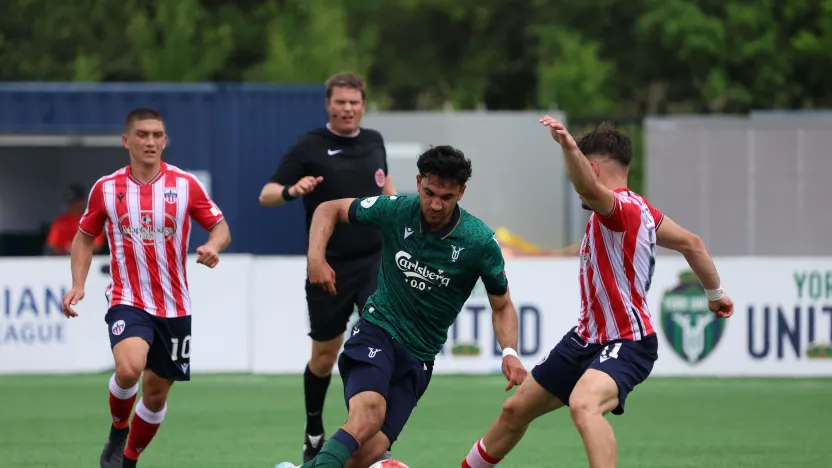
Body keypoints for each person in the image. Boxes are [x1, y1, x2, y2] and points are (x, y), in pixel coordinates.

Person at [460, 118, 735, 468]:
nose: (577, 190)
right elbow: (692, 244)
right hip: (585, 340)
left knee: (584, 404)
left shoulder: (619, 209)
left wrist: (567, 147)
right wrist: (716, 294)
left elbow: (589, 189)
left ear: (590, 168)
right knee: (515, 411)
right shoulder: (642, 211)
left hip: (627, 341)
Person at [275, 145, 528, 468]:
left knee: (364, 455)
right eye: (429, 192)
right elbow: (328, 209)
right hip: (377, 331)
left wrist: (510, 352)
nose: (435, 205)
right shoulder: (397, 210)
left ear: (462, 192)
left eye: (447, 197)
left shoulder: (478, 242)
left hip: (419, 358)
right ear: (419, 181)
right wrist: (316, 258)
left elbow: (502, 305)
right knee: (368, 414)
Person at [60, 108, 232, 468]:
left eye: (157, 135)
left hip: (174, 305)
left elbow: (220, 227)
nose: (150, 141)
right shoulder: (107, 189)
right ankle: (118, 427)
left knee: (154, 397)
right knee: (128, 368)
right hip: (128, 297)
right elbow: (84, 237)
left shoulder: (185, 185)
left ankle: (129, 459)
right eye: (142, 135)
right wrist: (78, 283)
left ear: (165, 141)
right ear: (127, 141)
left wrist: (214, 246)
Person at [259, 72, 396, 462]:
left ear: (363, 105)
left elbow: (385, 190)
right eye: (341, 102)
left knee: (381, 342)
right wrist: (292, 190)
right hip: (328, 267)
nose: (348, 109)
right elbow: (266, 194)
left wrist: (406, 218)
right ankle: (315, 428)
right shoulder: (310, 146)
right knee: (324, 355)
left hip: (375, 262)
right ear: (328, 105)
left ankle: (375, 436)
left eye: (354, 103)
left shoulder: (374, 141)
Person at [44, 183, 106, 255]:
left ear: (82, 200)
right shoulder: (60, 222)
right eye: (69, 202)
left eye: (74, 202)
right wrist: (66, 251)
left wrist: (77, 250)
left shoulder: (92, 220)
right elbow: (52, 245)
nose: (71, 205)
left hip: (87, 261)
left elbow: (97, 246)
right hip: (62, 260)